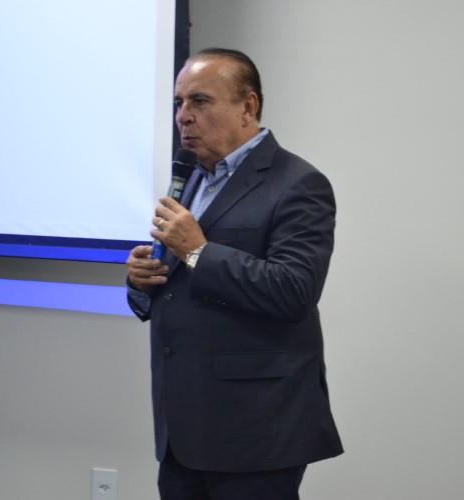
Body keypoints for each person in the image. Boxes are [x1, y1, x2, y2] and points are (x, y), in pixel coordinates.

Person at [126, 48, 343, 500]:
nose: (184, 116)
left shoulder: (298, 184)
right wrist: (141, 281)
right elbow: (180, 281)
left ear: (248, 106)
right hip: (182, 427)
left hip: (255, 431)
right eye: (179, 103)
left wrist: (197, 251)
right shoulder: (190, 178)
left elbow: (294, 291)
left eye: (200, 101)